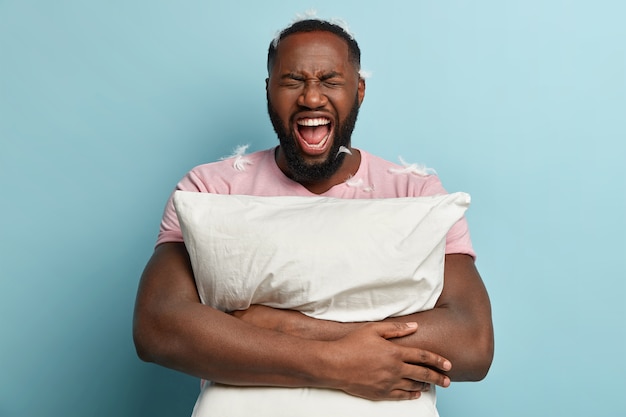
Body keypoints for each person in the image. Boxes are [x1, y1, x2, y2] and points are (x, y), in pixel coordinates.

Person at [133, 16, 494, 417]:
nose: (311, 98)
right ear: (269, 91)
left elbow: (472, 342)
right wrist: (336, 363)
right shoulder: (209, 190)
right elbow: (158, 327)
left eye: (330, 81)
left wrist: (294, 328)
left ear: (358, 91)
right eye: (292, 81)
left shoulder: (416, 194)